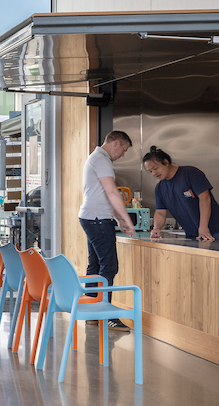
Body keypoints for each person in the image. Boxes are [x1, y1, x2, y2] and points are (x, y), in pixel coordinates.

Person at [79, 130, 136, 330]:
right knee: (109, 267)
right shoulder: (102, 160)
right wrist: (127, 219)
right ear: (116, 143)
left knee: (95, 266)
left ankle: (92, 312)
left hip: (91, 217)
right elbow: (111, 191)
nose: (123, 155)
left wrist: (118, 217)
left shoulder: (95, 158)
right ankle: (105, 315)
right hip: (97, 220)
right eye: (124, 150)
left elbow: (102, 194)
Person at [144, 145, 219, 243]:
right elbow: (160, 212)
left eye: (155, 168)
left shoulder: (190, 173)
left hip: (213, 231)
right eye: (150, 171)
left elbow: (205, 198)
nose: (154, 173)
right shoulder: (160, 188)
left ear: (166, 162)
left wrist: (203, 227)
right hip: (191, 235)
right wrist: (157, 228)